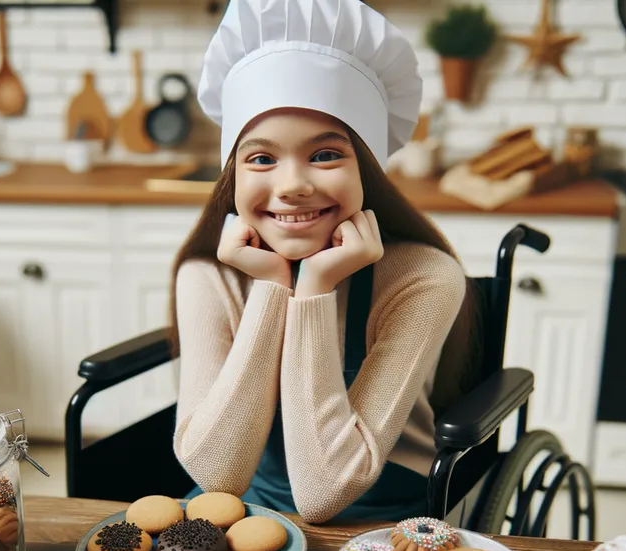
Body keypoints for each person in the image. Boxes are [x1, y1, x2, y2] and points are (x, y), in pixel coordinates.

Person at [170, 0, 479, 524]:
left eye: (325, 154)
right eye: (262, 158)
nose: (292, 186)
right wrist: (271, 288)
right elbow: (217, 479)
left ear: (368, 169)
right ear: (233, 177)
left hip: (378, 516)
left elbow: (323, 492)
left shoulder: (422, 278)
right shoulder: (208, 276)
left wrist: (313, 291)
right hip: (249, 511)